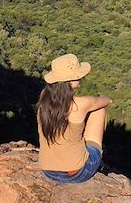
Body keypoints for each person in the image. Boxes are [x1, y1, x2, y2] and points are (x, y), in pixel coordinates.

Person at [37, 53, 111, 183]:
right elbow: (106, 101)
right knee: (99, 110)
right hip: (77, 173)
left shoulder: (44, 98)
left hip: (48, 172)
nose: (81, 78)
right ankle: (99, 159)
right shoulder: (80, 104)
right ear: (70, 81)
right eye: (79, 76)